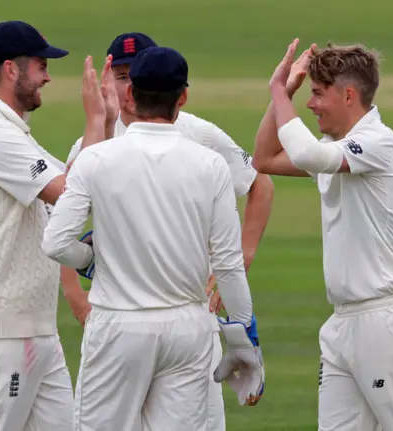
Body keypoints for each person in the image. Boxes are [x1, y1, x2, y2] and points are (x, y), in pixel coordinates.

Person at [42, 46, 265, 431]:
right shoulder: (209, 163)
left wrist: (90, 261)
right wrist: (245, 340)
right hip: (188, 331)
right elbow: (228, 263)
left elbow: (55, 243)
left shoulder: (95, 159)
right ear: (182, 97)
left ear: (130, 95)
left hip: (118, 326)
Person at [253, 39, 393, 430]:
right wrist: (283, 93)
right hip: (342, 325)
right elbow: (264, 158)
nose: (310, 103)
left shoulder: (379, 143)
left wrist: (275, 90)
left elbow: (305, 157)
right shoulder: (334, 149)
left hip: (385, 323)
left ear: (348, 94)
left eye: (317, 93)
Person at [0, 20, 111, 430]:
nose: (48, 76)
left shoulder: (12, 131)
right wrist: (94, 120)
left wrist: (105, 122)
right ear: (12, 70)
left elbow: (74, 179)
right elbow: (76, 193)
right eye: (40, 65)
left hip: (33, 327)